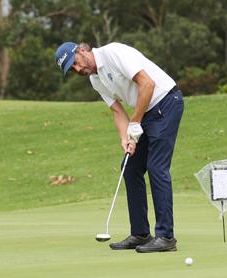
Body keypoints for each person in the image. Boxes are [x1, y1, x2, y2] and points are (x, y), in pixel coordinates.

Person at [55, 41, 184, 253]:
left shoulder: (114, 53)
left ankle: (166, 237)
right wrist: (125, 138)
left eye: (76, 62)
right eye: (72, 69)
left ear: (82, 50)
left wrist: (135, 122)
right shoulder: (95, 80)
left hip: (166, 102)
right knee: (130, 166)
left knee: (156, 167)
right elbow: (117, 111)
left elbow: (148, 84)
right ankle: (141, 233)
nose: (78, 69)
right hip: (146, 111)